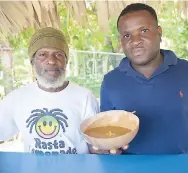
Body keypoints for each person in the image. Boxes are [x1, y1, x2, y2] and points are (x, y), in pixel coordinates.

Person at [100, 3, 188, 154]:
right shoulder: (111, 82)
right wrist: (105, 147)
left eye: (144, 31)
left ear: (159, 32)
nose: (135, 41)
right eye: (127, 35)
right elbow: (106, 134)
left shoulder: (185, 71)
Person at [0, 27, 101, 155]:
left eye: (58, 54)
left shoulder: (84, 97)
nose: (52, 61)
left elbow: (94, 146)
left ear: (66, 61)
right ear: (32, 61)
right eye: (42, 54)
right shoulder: (16, 99)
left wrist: (104, 148)